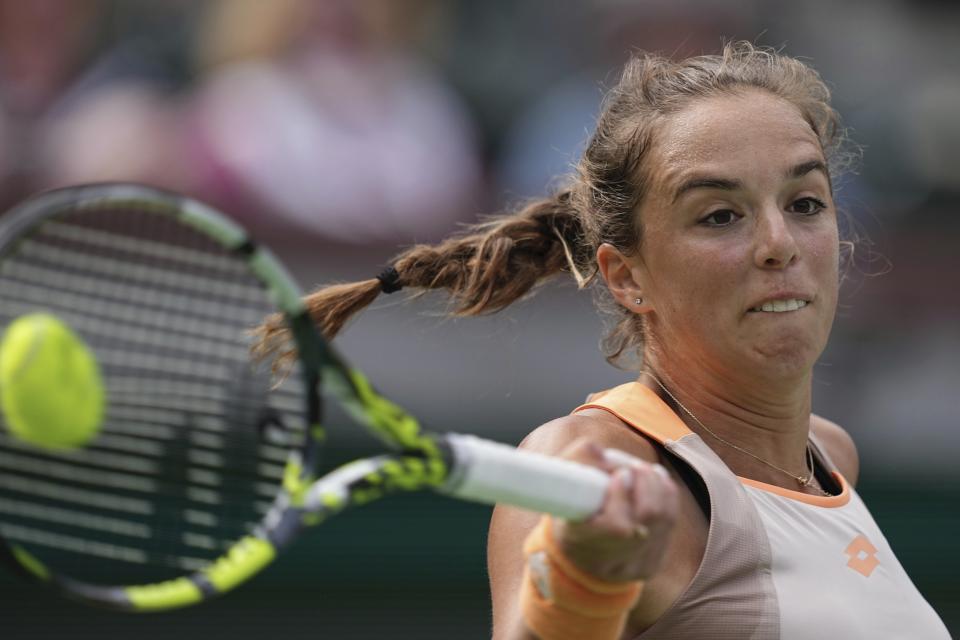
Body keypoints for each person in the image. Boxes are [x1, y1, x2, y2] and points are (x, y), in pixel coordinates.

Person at [257, 42, 950, 638]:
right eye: (718, 216)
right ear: (627, 277)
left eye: (804, 204)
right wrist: (587, 581)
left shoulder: (830, 456)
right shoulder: (582, 466)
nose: (779, 244)